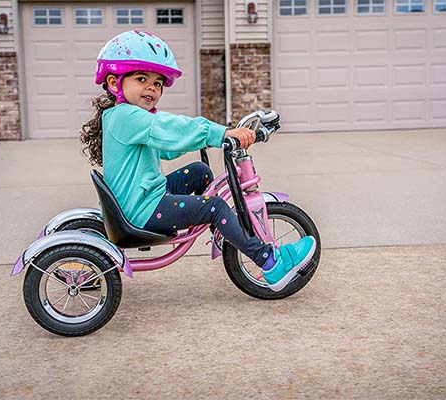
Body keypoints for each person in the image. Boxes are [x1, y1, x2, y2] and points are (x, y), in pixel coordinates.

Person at [80, 30, 316, 292]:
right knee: (214, 206)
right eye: (141, 78)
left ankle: (203, 216)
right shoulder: (127, 116)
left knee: (200, 171)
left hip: (141, 198)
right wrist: (219, 133)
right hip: (142, 211)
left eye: (158, 83)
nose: (152, 87)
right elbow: (171, 128)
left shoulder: (124, 116)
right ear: (114, 83)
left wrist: (199, 139)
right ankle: (271, 263)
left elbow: (167, 145)